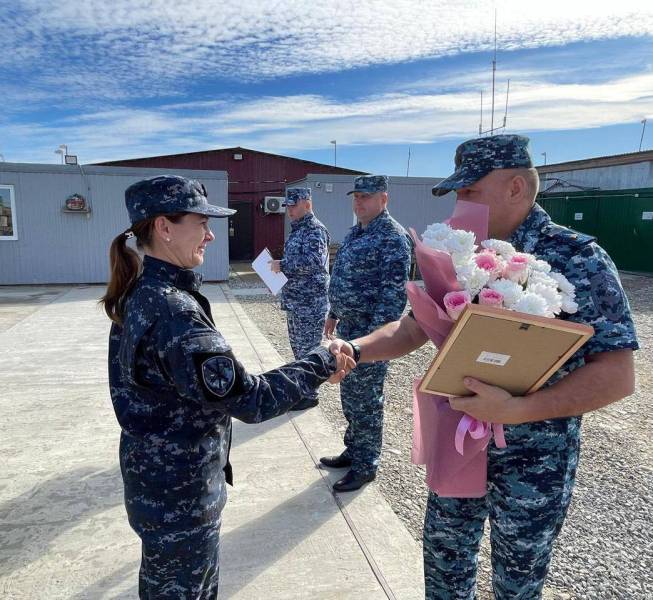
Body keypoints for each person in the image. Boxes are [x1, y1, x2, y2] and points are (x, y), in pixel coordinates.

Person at [328, 134, 639, 598]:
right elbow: (412, 329)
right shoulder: (455, 253)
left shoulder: (579, 258)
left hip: (533, 458)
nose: (460, 203)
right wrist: (353, 347)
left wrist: (519, 410)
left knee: (517, 580)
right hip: (458, 441)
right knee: (444, 563)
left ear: (516, 188)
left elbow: (617, 374)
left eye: (470, 191)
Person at [100, 175, 353, 599]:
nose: (212, 234)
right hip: (181, 493)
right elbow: (251, 399)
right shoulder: (173, 311)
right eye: (201, 222)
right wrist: (322, 360)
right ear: (164, 227)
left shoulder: (142, 291)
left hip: (157, 482)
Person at [320, 175, 412, 492]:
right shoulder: (357, 232)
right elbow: (343, 275)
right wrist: (334, 313)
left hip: (368, 337)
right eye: (356, 196)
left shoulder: (393, 238)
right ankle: (353, 449)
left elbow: (393, 300)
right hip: (347, 328)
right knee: (350, 398)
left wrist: (373, 344)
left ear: (383, 199)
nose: (359, 202)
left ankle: (366, 465)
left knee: (367, 403)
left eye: (366, 197)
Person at [269, 187, 331, 410]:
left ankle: (310, 395)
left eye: (294, 205)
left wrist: (282, 265)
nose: (290, 210)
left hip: (310, 304)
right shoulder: (297, 231)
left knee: (308, 350)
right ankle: (303, 391)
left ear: (308, 204)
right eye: (288, 206)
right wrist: (276, 277)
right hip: (296, 301)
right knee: (298, 349)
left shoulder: (314, 230)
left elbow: (313, 261)